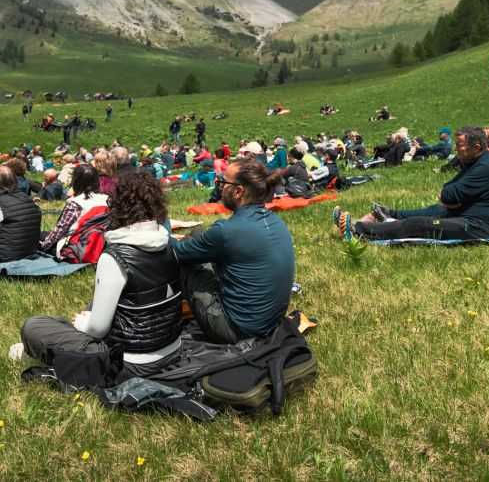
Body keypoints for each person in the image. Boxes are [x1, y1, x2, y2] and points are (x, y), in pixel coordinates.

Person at [15, 170, 181, 375]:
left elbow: (98, 330)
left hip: (130, 362)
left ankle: (32, 350)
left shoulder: (116, 256)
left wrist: (85, 324)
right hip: (172, 349)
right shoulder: (170, 244)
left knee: (34, 326)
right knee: (75, 316)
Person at [171, 159, 295, 343]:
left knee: (185, 263)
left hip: (235, 330)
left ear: (238, 191)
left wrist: (158, 229)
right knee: (197, 234)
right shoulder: (276, 222)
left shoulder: (226, 231)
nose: (219, 187)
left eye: (222, 182)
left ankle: (163, 313)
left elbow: (175, 252)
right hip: (269, 324)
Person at [345, 127, 489, 241]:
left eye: (460, 146)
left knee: (419, 224)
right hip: (465, 215)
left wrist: (448, 197)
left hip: (478, 226)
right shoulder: (477, 162)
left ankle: (358, 230)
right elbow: (450, 188)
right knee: (434, 210)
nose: (456, 150)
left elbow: (447, 195)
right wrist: (448, 198)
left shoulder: (483, 167)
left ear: (476, 147)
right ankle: (389, 214)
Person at [38, 164, 108, 255]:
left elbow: (60, 230)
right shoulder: (107, 199)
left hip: (75, 248)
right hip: (100, 246)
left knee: (40, 235)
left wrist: (43, 246)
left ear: (76, 181)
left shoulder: (75, 203)